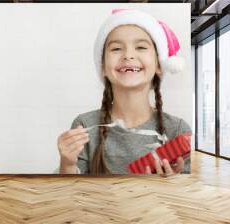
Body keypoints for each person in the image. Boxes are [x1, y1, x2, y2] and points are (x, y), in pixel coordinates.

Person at [57, 9, 191, 176]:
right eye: (116, 49)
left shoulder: (177, 130)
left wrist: (174, 185)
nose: (128, 55)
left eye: (141, 47)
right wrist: (67, 164)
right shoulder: (85, 125)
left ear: (158, 65)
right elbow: (73, 195)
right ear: (103, 67)